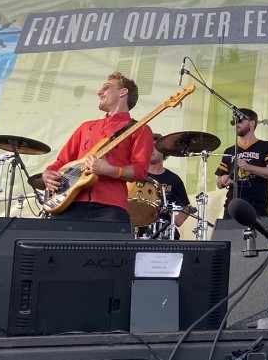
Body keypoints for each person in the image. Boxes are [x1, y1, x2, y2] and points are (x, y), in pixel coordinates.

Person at [42, 72, 154, 232]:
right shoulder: (86, 127)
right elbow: (60, 163)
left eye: (106, 88)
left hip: (109, 207)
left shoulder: (140, 129)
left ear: (123, 92)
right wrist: (47, 174)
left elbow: (140, 171)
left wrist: (110, 170)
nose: (99, 92)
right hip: (69, 204)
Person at [215, 108, 268, 218]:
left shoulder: (266, 146)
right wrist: (223, 180)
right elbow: (218, 182)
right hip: (232, 207)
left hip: (257, 205)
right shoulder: (229, 151)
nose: (236, 125)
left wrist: (249, 167)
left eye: (240, 121)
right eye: (234, 122)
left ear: (252, 123)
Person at [143, 135, 191, 238]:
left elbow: (186, 206)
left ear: (163, 150)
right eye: (148, 146)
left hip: (165, 229)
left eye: (155, 147)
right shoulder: (137, 176)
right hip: (140, 228)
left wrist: (180, 217)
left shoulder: (174, 179)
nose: (151, 150)